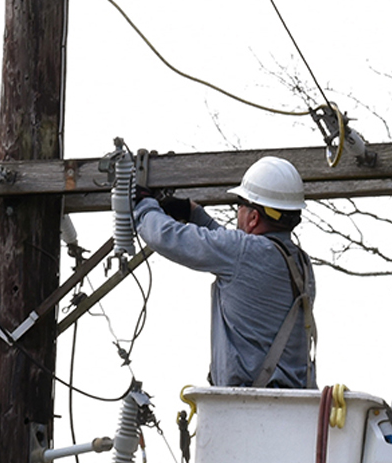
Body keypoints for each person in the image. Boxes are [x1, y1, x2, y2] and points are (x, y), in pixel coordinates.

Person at [133, 155, 318, 388]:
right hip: (294, 409)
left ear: (253, 217)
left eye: (240, 204)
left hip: (247, 409)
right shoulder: (300, 263)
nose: (237, 211)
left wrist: (142, 204)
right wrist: (195, 215)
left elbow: (167, 237)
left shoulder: (244, 253)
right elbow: (239, 257)